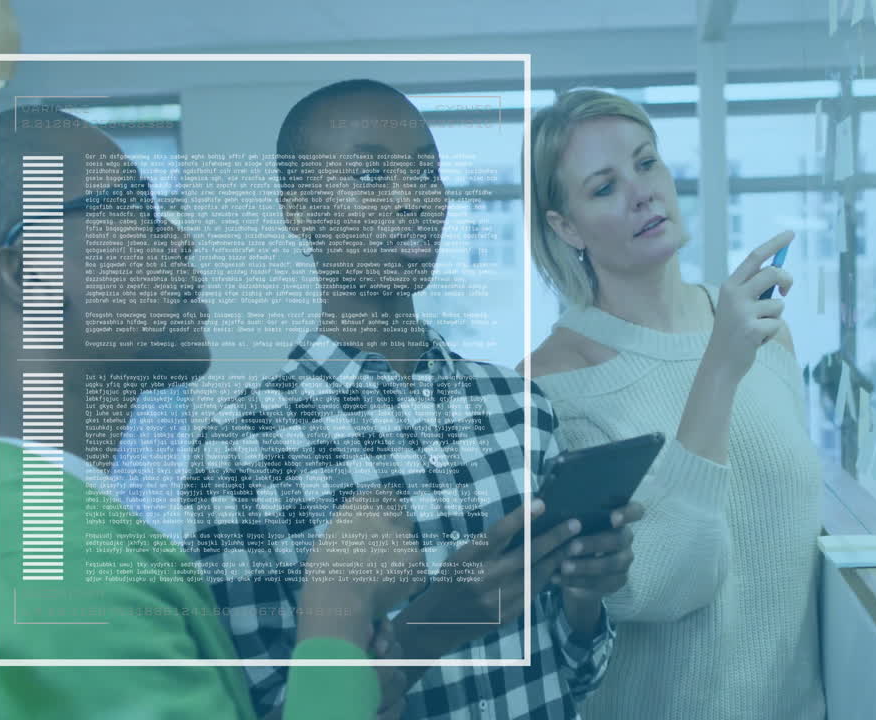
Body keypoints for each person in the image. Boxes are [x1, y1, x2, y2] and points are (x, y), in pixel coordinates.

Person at [0, 108, 405, 720]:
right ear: (30, 274)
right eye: (138, 208)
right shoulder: (42, 573)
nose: (180, 238)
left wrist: (342, 690)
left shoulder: (23, 520)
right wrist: (337, 611)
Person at [181, 78, 644, 720]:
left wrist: (585, 595)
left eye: (426, 174)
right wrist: (424, 630)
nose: (412, 201)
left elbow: (574, 677)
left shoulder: (519, 407)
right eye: (371, 176)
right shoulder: (241, 448)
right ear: (299, 212)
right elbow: (261, 707)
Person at [522, 89, 825, 719]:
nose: (642, 192)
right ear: (566, 227)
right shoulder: (550, 382)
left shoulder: (762, 332)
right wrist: (718, 368)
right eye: (604, 187)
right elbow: (659, 587)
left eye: (646, 162)